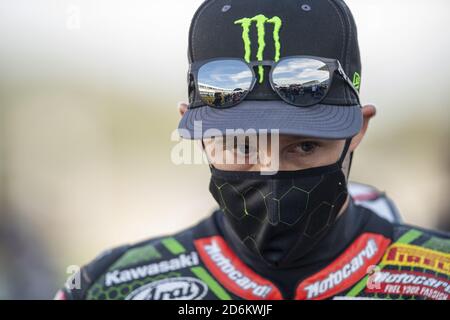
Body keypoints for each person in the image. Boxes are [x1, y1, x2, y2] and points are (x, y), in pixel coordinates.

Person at [56, 0, 450, 300]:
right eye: (241, 145)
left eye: (305, 146)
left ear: (359, 130)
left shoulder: (439, 278)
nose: (269, 169)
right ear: (196, 132)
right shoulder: (108, 287)